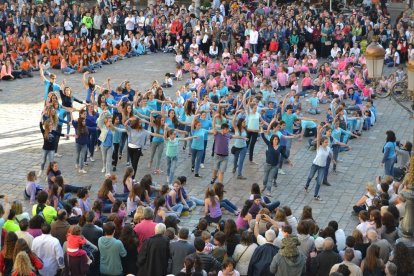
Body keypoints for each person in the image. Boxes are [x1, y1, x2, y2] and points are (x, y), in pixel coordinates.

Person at [304, 124, 335, 200]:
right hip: (315, 164)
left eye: (327, 142)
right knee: (310, 176)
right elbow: (318, 135)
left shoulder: (328, 148)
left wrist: (333, 160)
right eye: (325, 142)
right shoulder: (319, 147)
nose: (326, 143)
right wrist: (323, 127)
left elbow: (330, 154)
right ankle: (307, 185)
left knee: (318, 181)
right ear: (322, 143)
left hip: (322, 167)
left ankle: (315, 195)